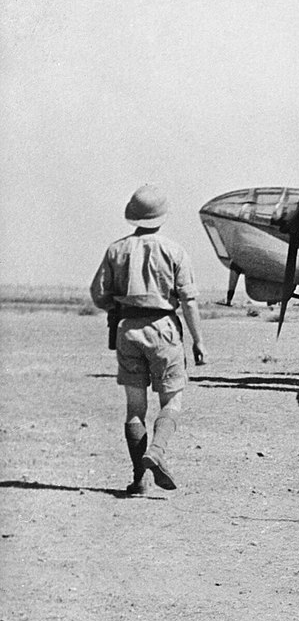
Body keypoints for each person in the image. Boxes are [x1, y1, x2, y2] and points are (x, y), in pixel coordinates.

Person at [91, 185, 207, 495]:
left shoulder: (116, 250)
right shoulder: (174, 250)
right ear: (162, 216)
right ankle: (156, 450)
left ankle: (139, 480)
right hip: (164, 330)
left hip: (128, 329)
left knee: (134, 408)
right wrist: (198, 340)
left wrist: (121, 306)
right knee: (172, 400)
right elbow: (188, 300)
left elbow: (98, 294)